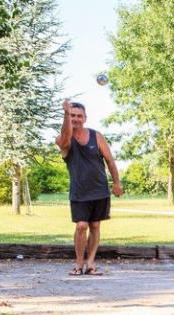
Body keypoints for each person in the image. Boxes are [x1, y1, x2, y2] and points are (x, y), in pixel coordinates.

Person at [55, 99, 122, 275]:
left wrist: (116, 183)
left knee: (95, 226)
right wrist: (65, 114)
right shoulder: (63, 140)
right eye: (72, 116)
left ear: (85, 118)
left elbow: (110, 161)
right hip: (79, 192)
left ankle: (90, 263)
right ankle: (78, 263)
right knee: (81, 226)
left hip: (100, 190)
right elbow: (64, 138)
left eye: (79, 116)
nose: (76, 119)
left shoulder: (96, 136)